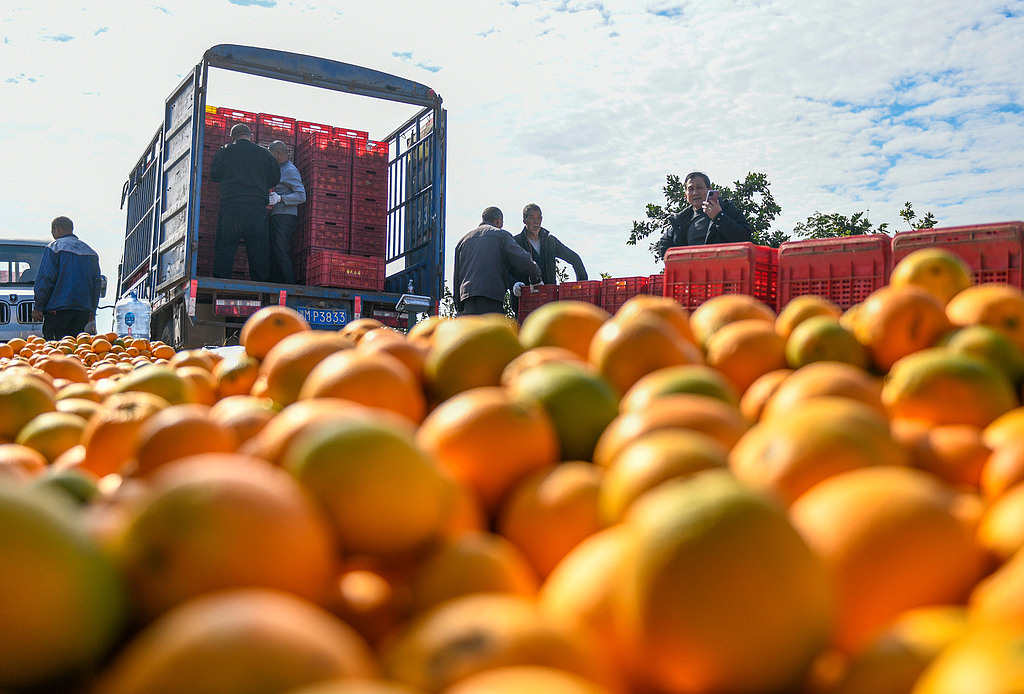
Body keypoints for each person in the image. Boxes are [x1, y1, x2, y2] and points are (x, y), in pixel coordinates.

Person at [209, 123, 280, 281]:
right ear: (251, 136)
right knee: (258, 250)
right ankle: (261, 286)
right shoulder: (264, 153)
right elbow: (274, 179)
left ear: (232, 137)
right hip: (256, 208)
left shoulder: (225, 151)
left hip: (231, 206)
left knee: (225, 247)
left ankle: (221, 284)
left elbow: (214, 175)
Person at [453, 206, 541, 316]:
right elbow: (524, 259)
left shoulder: (462, 241)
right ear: (498, 220)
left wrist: (459, 306)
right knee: (493, 327)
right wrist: (536, 278)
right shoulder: (501, 236)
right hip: (491, 299)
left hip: (467, 301)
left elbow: (457, 277)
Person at [32, 216, 102, 340]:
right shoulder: (90, 252)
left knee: (55, 346)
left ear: (56, 229)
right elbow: (97, 285)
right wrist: (92, 309)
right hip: (82, 312)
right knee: (76, 345)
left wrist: (39, 306)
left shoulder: (54, 248)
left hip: (57, 311)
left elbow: (46, 279)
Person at [655, 171, 753, 260]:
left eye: (699, 188)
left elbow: (744, 236)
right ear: (686, 195)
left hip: (722, 269)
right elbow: (663, 246)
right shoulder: (681, 220)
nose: (695, 193)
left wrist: (719, 216)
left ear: (709, 190)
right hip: (692, 271)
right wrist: (680, 262)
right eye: (691, 189)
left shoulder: (725, 209)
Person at [512, 203, 588, 285]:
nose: (536, 222)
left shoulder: (550, 241)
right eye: (532, 218)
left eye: (538, 218)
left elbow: (574, 258)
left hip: (549, 291)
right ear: (524, 220)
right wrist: (514, 284)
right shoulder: (516, 242)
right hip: (525, 291)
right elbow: (505, 270)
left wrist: (582, 284)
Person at [267, 140, 307, 284]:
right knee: (274, 251)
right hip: (276, 215)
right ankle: (277, 284)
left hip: (285, 216)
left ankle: (289, 285)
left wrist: (281, 198)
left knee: (280, 250)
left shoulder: (290, 170)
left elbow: (301, 195)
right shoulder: (279, 169)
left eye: (271, 154)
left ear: (278, 153)